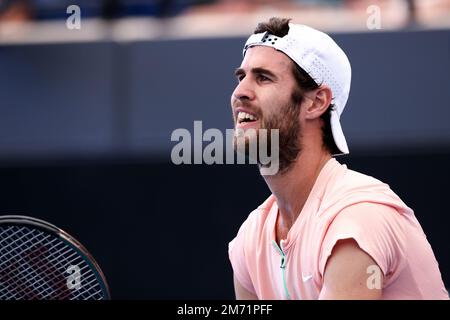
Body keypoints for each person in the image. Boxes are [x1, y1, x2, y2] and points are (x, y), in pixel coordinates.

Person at [228, 17, 448, 299]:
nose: (239, 92)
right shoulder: (251, 240)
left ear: (317, 102)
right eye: (241, 77)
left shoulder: (358, 217)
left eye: (263, 78)